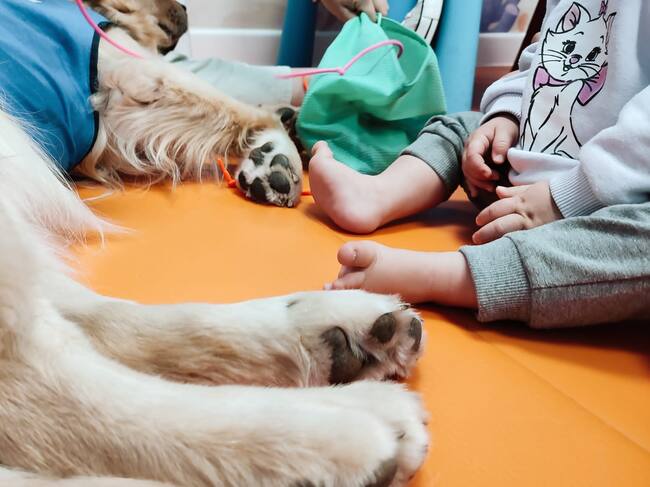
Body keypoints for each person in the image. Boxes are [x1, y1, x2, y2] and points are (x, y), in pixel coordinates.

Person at [310, 0, 650, 327]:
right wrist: (507, 115)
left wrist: (569, 195)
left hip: (605, 215)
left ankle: (450, 276)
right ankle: (379, 193)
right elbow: (542, 55)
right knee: (466, 126)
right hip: (512, 186)